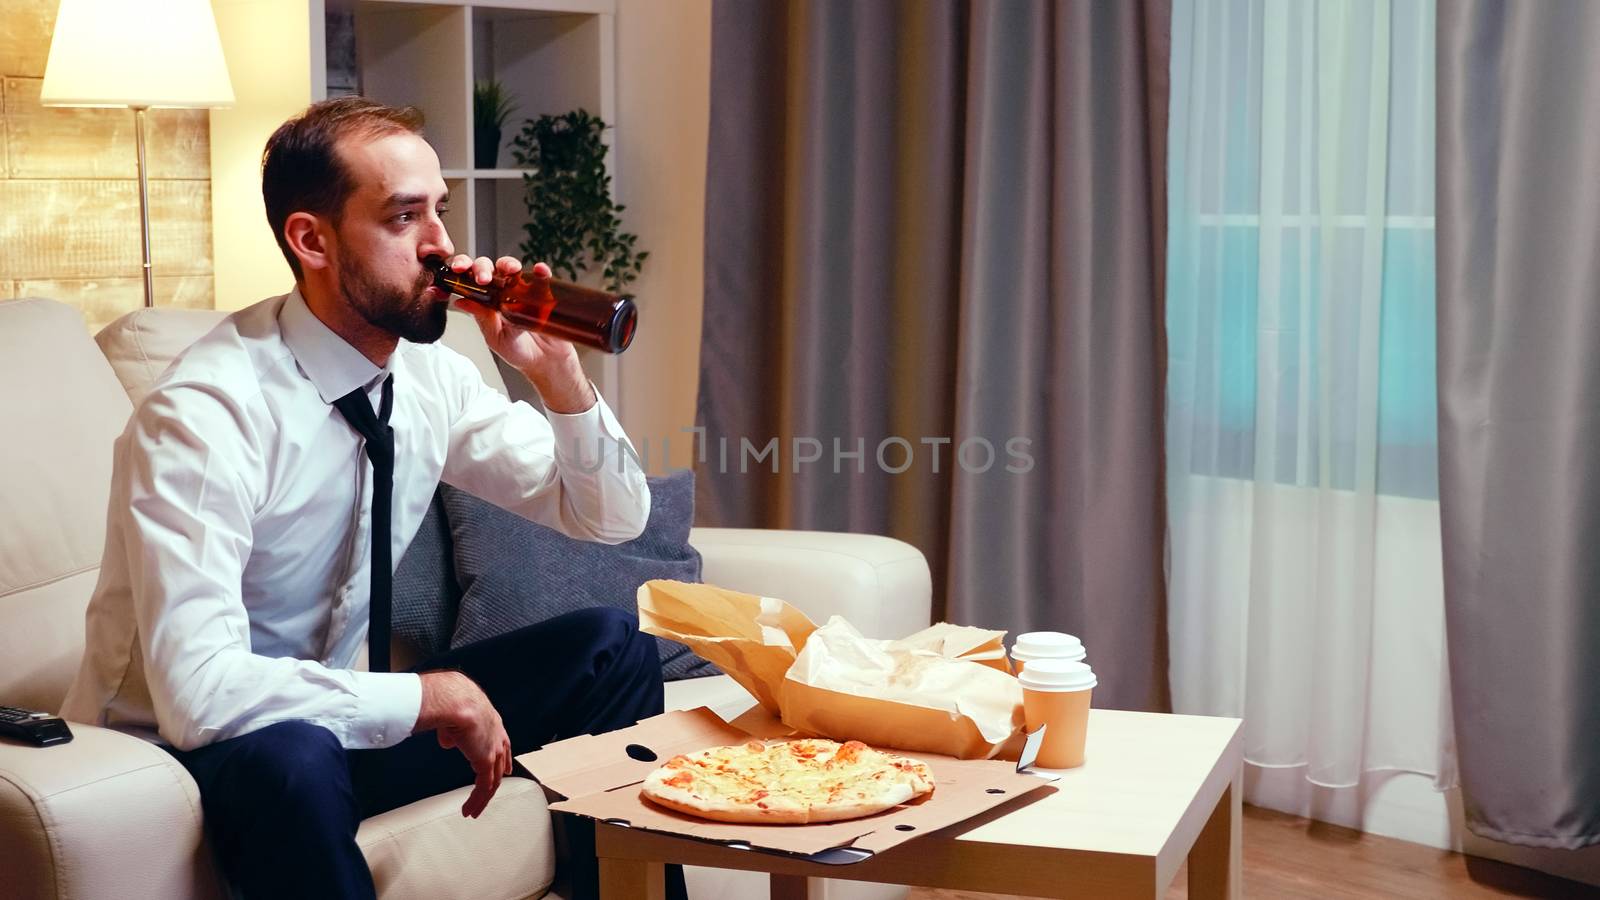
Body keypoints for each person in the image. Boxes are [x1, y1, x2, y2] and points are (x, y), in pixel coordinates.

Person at [60, 97, 677, 899]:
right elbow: (200, 694)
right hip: (190, 747)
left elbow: (611, 516)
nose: (443, 248)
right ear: (311, 240)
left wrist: (556, 374)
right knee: (297, 754)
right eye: (404, 217)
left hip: (336, 716)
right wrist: (424, 695)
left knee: (611, 647)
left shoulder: (429, 375)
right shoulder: (205, 416)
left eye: (442, 213)